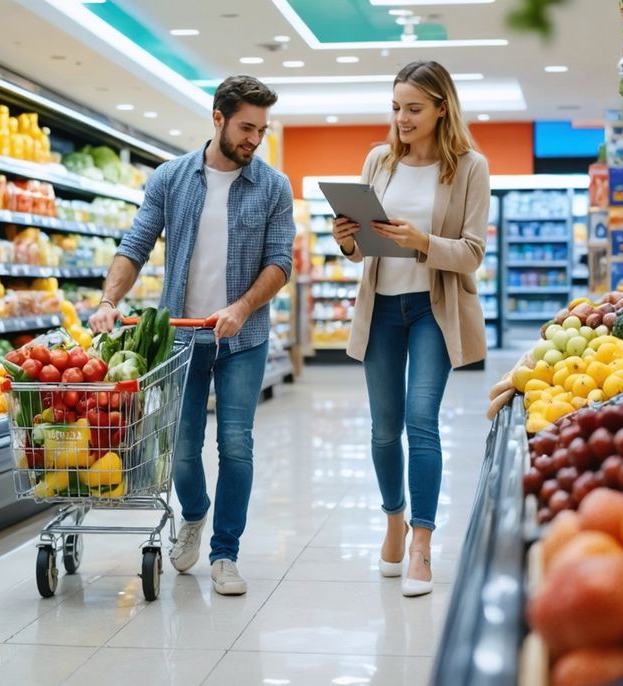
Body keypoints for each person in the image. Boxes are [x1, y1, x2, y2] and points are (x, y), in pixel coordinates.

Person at [88, 75, 295, 596]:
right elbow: (134, 244)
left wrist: (242, 307)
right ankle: (195, 516)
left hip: (242, 340)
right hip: (179, 338)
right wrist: (109, 301)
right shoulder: (170, 179)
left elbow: (280, 262)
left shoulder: (273, 186)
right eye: (246, 127)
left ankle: (226, 553)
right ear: (218, 118)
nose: (254, 138)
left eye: (262, 129)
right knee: (180, 448)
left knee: (236, 445)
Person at [332, 60, 490, 597]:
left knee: (422, 419)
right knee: (383, 428)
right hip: (381, 308)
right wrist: (346, 237)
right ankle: (393, 520)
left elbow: (471, 255)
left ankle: (422, 542)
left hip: (432, 307)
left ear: (442, 108)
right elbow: (359, 253)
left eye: (414, 109)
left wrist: (421, 241)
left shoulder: (470, 167)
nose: (402, 118)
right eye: (397, 107)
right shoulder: (380, 161)